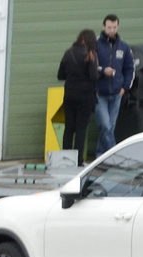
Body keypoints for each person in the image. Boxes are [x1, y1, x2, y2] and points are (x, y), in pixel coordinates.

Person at [93, 14, 134, 158]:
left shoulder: (124, 46)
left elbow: (130, 68)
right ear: (104, 27)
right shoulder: (95, 45)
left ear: (118, 27)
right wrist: (103, 71)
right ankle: (114, 157)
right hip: (100, 94)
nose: (112, 30)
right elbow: (90, 67)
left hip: (116, 94)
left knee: (109, 128)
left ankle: (100, 154)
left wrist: (125, 88)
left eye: (114, 27)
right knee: (106, 126)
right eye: (109, 27)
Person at [58, 29, 101, 162]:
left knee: (69, 128)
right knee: (81, 129)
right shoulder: (91, 55)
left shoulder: (68, 53)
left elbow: (60, 75)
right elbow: (94, 77)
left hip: (69, 95)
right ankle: (78, 161)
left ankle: (64, 159)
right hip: (85, 97)